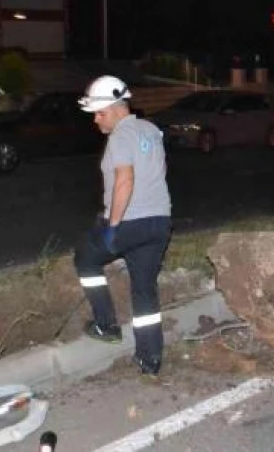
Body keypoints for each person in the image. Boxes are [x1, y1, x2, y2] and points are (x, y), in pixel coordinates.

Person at [75, 75, 172, 376]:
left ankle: (106, 325)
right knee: (144, 289)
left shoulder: (120, 136)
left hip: (129, 221)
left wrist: (112, 227)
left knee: (85, 260)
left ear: (116, 109)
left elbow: (124, 180)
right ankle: (150, 358)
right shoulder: (152, 131)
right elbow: (160, 171)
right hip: (160, 222)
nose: (96, 120)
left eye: (99, 113)